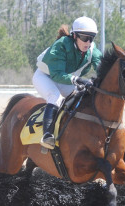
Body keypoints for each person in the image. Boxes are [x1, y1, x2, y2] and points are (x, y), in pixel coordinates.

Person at [33, 16, 102, 149]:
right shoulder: (61, 44)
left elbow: (102, 68)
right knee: (55, 98)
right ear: (74, 35)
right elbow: (57, 74)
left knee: (83, 96)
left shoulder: (92, 50)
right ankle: (47, 135)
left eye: (91, 38)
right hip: (44, 77)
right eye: (84, 38)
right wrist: (77, 79)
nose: (88, 42)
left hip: (64, 79)